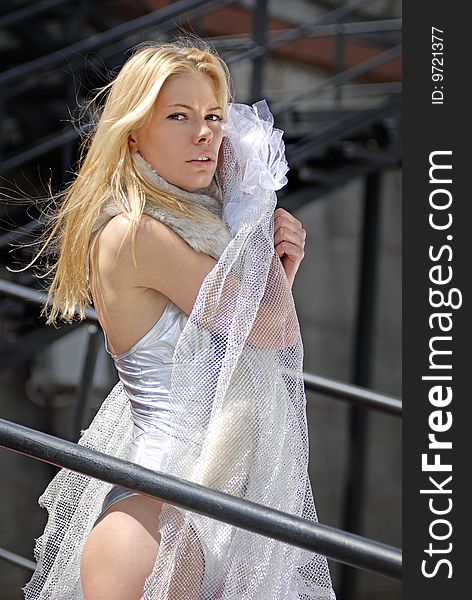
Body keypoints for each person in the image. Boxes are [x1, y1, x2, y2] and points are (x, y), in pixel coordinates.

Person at [23, 40, 335, 600]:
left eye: (214, 116)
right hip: (155, 514)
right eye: (179, 116)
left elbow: (257, 332)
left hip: (209, 509)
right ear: (133, 131)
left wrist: (275, 263)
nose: (205, 134)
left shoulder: (200, 230)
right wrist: (254, 209)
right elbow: (266, 329)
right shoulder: (138, 232)